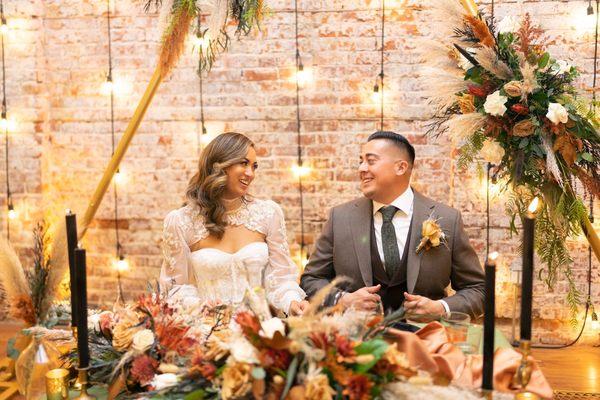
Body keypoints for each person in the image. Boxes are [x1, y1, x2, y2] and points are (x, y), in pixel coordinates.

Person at [300, 131, 485, 318]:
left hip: (424, 340)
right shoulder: (339, 218)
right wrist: (343, 300)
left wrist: (441, 308)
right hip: (356, 341)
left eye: (370, 161)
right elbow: (311, 279)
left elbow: (478, 290)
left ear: (401, 167)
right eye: (360, 161)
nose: (362, 168)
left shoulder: (447, 219)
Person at [160, 132, 308, 316]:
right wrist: (205, 311)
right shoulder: (181, 221)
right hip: (209, 333)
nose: (250, 173)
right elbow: (175, 289)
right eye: (243, 163)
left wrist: (292, 301)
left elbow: (282, 278)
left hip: (260, 331)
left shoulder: (269, 213)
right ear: (219, 165)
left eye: (254, 166)